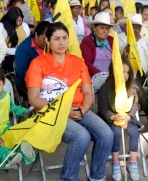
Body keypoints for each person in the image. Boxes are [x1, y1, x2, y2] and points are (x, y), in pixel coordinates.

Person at [25, 22, 113, 180]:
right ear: (47, 41)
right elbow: (34, 98)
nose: (61, 42)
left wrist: (84, 110)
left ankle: (97, 177)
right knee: (81, 136)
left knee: (107, 133)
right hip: (50, 113)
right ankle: (67, 178)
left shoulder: (78, 62)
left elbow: (87, 92)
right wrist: (64, 110)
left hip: (79, 109)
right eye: (56, 39)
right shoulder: (37, 63)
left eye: (64, 38)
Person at [0, 66, 35, 168]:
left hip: (4, 125)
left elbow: (12, 107)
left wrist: (25, 112)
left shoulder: (6, 95)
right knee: (1, 144)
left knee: (14, 139)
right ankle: (8, 157)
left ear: (4, 83)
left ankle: (24, 153)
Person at [98, 57, 142, 181]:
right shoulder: (105, 87)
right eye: (122, 71)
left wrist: (128, 117)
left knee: (134, 132)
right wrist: (112, 116)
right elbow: (102, 108)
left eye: (128, 72)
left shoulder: (131, 86)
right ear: (114, 71)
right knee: (116, 133)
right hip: (112, 118)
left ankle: (132, 162)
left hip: (128, 118)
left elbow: (134, 105)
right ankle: (115, 163)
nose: (126, 75)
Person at [15, 21, 50, 96]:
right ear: (36, 34)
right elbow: (22, 72)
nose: (47, 42)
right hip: (30, 84)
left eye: (49, 39)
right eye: (44, 38)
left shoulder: (50, 45)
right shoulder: (23, 48)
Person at [0, 7, 30, 72]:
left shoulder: (25, 26)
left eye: (20, 21)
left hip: (23, 54)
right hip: (7, 56)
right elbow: (0, 47)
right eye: (15, 21)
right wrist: (17, 51)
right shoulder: (1, 27)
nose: (18, 23)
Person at [81, 12, 114, 76]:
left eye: (107, 28)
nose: (105, 31)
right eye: (102, 28)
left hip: (111, 77)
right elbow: (87, 63)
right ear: (94, 28)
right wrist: (100, 76)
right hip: (94, 77)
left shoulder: (111, 40)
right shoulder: (87, 41)